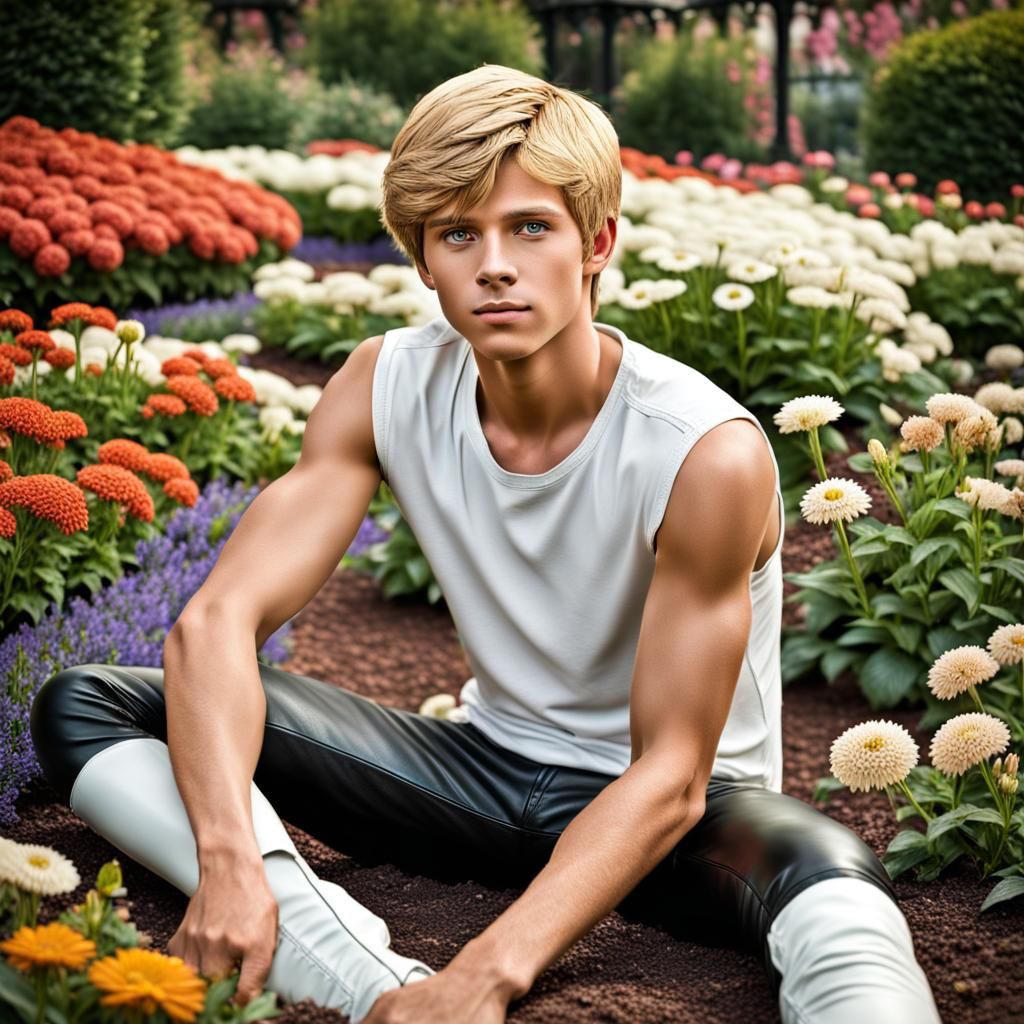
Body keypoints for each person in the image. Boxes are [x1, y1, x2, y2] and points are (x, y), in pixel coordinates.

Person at [31, 65, 942, 1024]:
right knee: (91, 705)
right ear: (424, 260)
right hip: (486, 776)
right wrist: (230, 868)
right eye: (459, 233)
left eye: (530, 228)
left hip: (680, 822)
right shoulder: (385, 384)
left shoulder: (702, 450)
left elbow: (671, 775)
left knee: (835, 886)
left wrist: (486, 973)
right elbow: (215, 623)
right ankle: (349, 973)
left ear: (598, 243)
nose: (494, 264)